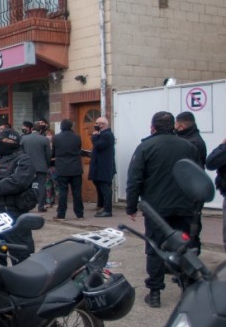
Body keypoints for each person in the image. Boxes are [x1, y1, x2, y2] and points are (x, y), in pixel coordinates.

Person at [126, 111, 199, 308]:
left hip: (156, 209)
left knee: (155, 248)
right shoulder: (188, 147)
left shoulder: (146, 147)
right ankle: (187, 287)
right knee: (183, 247)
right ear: (173, 126)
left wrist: (131, 206)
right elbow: (197, 175)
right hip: (183, 206)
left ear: (153, 127)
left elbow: (134, 179)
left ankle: (155, 292)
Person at [0, 128, 36, 264]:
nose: (0, 143)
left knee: (19, 253)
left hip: (13, 212)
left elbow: (18, 182)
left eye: (4, 141)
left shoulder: (23, 159)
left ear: (12, 142)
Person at [175, 111, 207, 253]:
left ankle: (191, 260)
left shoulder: (193, 143)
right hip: (190, 190)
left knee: (191, 227)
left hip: (192, 192)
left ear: (181, 126)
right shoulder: (190, 139)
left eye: (176, 125)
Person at [52, 119, 84, 220]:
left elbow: (53, 153)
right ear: (71, 126)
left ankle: (61, 215)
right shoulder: (77, 137)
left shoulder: (56, 138)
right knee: (77, 192)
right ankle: (80, 214)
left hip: (62, 168)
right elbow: (79, 149)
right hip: (76, 168)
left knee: (63, 192)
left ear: (61, 126)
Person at [21, 122, 51, 212]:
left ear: (31, 129)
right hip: (41, 167)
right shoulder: (44, 139)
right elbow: (48, 154)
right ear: (40, 130)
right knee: (41, 186)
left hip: (27, 167)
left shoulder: (24, 139)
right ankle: (41, 206)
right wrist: (47, 164)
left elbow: (20, 153)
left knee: (27, 186)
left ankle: (26, 205)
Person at [88, 117, 116, 218]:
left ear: (102, 124)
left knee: (105, 189)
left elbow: (98, 146)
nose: (95, 125)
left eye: (97, 123)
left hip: (105, 167)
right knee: (100, 187)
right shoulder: (102, 134)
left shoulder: (107, 135)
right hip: (99, 166)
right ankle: (102, 206)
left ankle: (108, 210)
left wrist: (94, 137)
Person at [45, 128, 57, 208]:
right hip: (47, 166)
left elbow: (58, 156)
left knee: (56, 184)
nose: (48, 136)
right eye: (47, 135)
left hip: (54, 166)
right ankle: (49, 201)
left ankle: (58, 202)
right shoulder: (45, 145)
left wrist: (52, 159)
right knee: (48, 185)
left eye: (49, 135)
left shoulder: (56, 145)